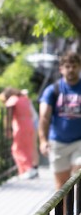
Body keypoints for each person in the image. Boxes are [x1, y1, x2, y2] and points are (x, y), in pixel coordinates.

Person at [38, 51, 81, 188]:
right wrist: (43, 140)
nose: (71, 70)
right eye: (67, 66)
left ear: (79, 67)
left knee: (78, 174)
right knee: (61, 187)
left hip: (79, 142)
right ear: (61, 69)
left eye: (74, 66)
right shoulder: (53, 90)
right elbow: (44, 116)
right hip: (58, 143)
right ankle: (65, 209)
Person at [0, 87, 39, 179]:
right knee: (28, 148)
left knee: (16, 149)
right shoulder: (24, 98)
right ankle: (25, 171)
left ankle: (28, 169)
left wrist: (7, 129)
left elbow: (8, 115)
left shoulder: (13, 100)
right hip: (29, 125)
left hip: (20, 127)